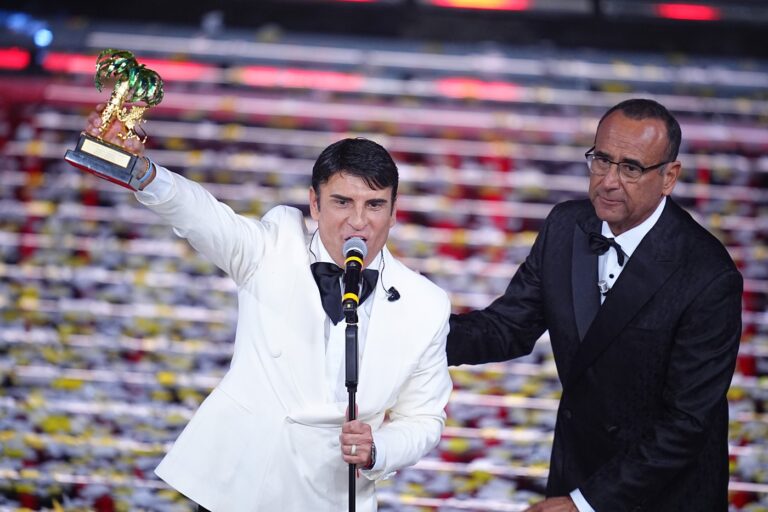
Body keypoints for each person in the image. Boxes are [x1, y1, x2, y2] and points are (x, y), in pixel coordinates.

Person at [80, 110, 453, 511]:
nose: (358, 221)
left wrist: (377, 448)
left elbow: (423, 418)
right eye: (342, 202)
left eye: (374, 205)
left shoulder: (426, 305)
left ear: (394, 212)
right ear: (315, 203)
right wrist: (141, 173)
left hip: (330, 495)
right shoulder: (272, 249)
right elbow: (201, 216)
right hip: (239, 487)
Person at [447, 98, 742, 512]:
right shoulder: (565, 227)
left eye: (631, 168)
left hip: (662, 496)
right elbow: (506, 328)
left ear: (669, 177)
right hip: (578, 469)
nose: (608, 181)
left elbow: (685, 424)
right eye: (601, 160)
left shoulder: (709, 276)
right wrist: (405, 332)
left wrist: (584, 504)